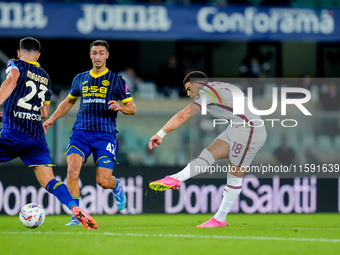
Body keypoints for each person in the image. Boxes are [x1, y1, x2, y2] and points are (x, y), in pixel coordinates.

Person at [0, 37, 97, 229]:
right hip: (36, 137)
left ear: (19, 53)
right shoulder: (45, 76)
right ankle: (73, 207)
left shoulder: (15, 63)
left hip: (14, 133)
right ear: (38, 56)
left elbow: (11, 81)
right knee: (50, 180)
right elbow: (44, 113)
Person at [148, 71, 267, 227]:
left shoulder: (206, 93)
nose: (189, 94)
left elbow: (182, 116)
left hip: (249, 130)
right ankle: (176, 178)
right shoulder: (219, 86)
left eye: (189, 89)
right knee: (208, 154)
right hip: (237, 127)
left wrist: (160, 134)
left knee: (234, 176)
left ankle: (219, 218)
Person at [43, 40, 136, 226]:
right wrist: (52, 118)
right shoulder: (80, 78)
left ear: (107, 55)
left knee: (102, 180)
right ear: (90, 54)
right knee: (72, 170)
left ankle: (116, 185)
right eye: (94, 53)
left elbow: (132, 108)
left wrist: (120, 106)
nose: (98, 57)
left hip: (105, 135)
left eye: (101, 53)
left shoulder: (117, 81)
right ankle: (76, 216)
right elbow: (68, 102)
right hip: (81, 132)